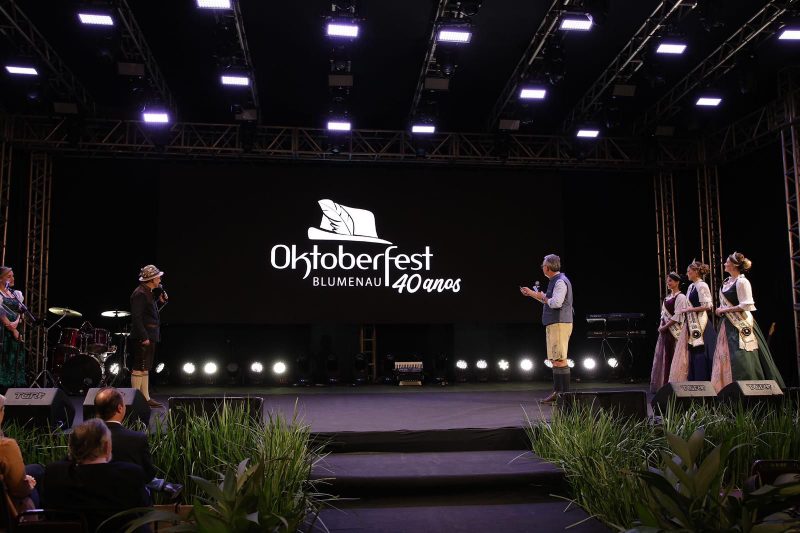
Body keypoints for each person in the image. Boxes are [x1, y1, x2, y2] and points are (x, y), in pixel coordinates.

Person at [41, 418, 150, 532]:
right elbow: (145, 510)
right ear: (107, 446)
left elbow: (47, 509)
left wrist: (74, 454)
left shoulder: (55, 474)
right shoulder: (130, 474)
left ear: (71, 447)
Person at [711, 252, 785, 391]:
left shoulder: (742, 282)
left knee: (741, 356)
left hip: (740, 324)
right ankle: (725, 389)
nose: (725, 264)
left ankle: (748, 389)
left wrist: (724, 311)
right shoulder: (726, 282)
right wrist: (721, 309)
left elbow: (746, 305)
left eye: (727, 262)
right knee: (724, 356)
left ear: (734, 265)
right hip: (727, 324)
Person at [520, 254, 574, 404]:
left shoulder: (560, 282)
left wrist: (543, 297)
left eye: (543, 265)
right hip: (554, 323)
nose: (542, 267)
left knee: (560, 359)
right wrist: (532, 294)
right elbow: (548, 301)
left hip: (560, 323)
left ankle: (565, 396)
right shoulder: (554, 281)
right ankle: (558, 393)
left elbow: (556, 303)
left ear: (548, 267)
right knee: (555, 360)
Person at [669, 260, 717, 382]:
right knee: (693, 352)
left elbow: (708, 306)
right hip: (691, 323)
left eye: (689, 271)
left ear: (696, 272)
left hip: (701, 324)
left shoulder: (702, 285)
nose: (687, 273)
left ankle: (704, 380)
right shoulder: (691, 286)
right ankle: (695, 380)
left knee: (701, 351)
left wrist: (690, 309)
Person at [130, 265, 167, 409]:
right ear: (151, 279)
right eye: (158, 277)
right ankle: (135, 399)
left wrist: (159, 302)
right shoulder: (140, 293)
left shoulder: (148, 292)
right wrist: (144, 336)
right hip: (143, 336)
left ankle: (145, 398)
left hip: (150, 335)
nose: (160, 279)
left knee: (145, 368)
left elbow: (149, 313)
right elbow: (137, 318)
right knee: (139, 367)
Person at [650, 272, 687, 393]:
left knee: (674, 356)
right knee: (665, 356)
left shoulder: (681, 297)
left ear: (677, 282)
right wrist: (661, 325)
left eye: (670, 281)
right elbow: (663, 315)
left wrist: (665, 327)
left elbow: (678, 316)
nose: (668, 283)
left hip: (674, 332)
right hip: (665, 332)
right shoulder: (667, 298)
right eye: (668, 281)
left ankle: (675, 384)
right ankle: (664, 383)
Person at [0, 394, 38, 513]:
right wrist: (27, 484)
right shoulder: (6, 446)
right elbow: (19, 490)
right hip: (6, 513)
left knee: (37, 469)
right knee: (32, 488)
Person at [0, 267, 27, 390]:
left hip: (16, 331)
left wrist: (17, 322)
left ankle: (15, 388)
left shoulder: (16, 294)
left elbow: (21, 313)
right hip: (3, 333)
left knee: (16, 359)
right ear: (1, 279)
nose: (12, 278)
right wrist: (12, 328)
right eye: (9, 276)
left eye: (13, 275)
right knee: (4, 358)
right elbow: (1, 314)